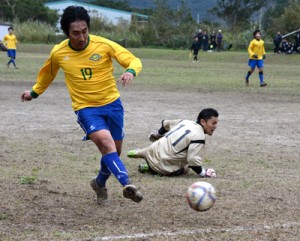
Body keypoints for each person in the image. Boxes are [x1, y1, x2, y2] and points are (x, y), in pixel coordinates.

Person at [20, 6, 143, 205]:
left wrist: (130, 71)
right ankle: (127, 184)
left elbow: (132, 59)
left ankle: (99, 183)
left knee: (114, 153)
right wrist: (33, 93)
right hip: (86, 108)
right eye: (76, 33)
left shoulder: (103, 45)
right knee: (105, 144)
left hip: (112, 105)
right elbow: (47, 75)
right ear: (67, 33)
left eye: (84, 31)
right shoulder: (59, 52)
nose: (81, 37)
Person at [127, 108, 219, 178]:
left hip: (151, 150)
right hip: (160, 166)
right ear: (203, 121)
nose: (215, 126)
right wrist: (204, 173)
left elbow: (166, 124)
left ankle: (139, 153)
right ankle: (148, 168)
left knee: (158, 147)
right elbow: (193, 161)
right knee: (186, 169)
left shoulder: (185, 122)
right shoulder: (199, 136)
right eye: (213, 123)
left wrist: (159, 134)